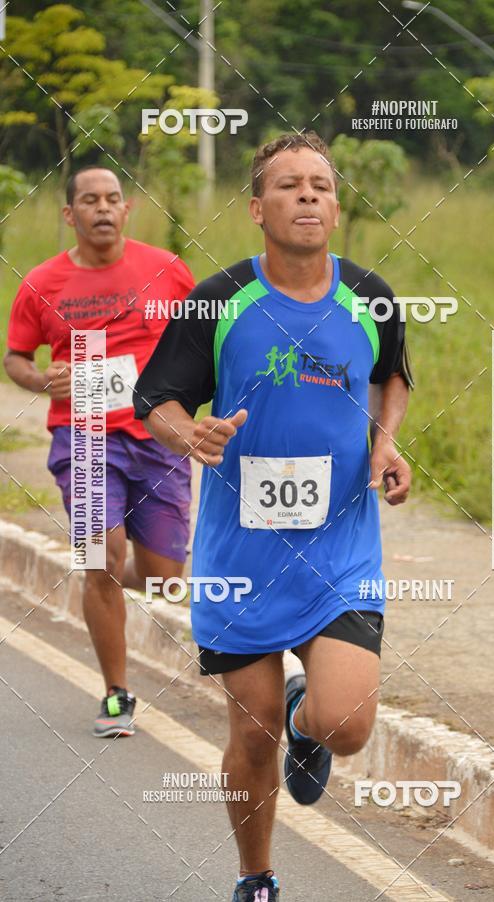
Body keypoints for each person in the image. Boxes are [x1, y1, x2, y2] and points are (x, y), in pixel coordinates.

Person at [133, 132, 413, 901]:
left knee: (346, 726)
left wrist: (386, 444)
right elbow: (155, 398)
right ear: (259, 207)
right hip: (239, 555)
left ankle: (306, 721)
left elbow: (394, 375)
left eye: (321, 184)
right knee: (248, 735)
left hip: (340, 548)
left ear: (336, 202)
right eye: (289, 185)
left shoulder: (371, 295)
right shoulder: (220, 300)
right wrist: (191, 434)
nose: (309, 195)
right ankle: (256, 878)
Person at [4, 166, 196, 738]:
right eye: (90, 200)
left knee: (165, 579)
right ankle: (117, 692)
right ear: (71, 215)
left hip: (157, 435)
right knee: (101, 557)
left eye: (113, 199)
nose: (103, 209)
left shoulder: (165, 269)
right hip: (83, 433)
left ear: (127, 207)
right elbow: (15, 357)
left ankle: (110, 579)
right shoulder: (42, 281)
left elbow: (205, 335)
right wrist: (42, 380)